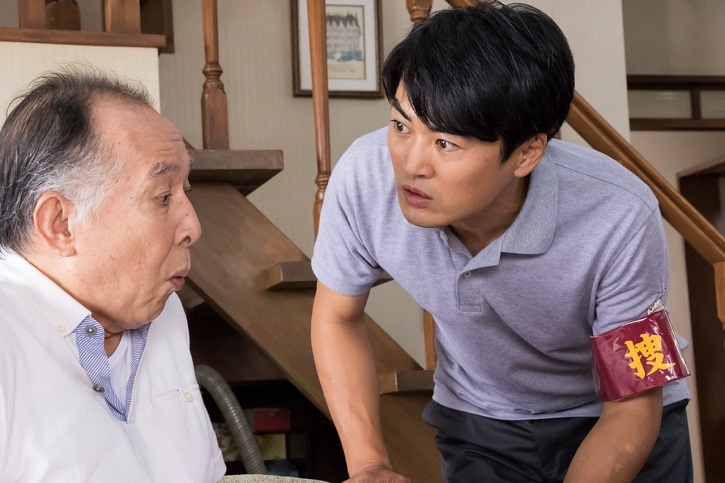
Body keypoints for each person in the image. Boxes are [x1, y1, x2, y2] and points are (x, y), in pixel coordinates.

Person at [310, 2, 692, 482]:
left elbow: (633, 403)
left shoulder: (619, 213)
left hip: (619, 418)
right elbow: (337, 316)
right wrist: (369, 465)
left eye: (445, 144)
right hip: (483, 421)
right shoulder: (365, 178)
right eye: (401, 125)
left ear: (528, 152)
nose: (411, 163)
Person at [0, 67, 226, 481]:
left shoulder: (162, 313)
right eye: (162, 196)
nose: (193, 226)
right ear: (60, 224)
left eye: (185, 191)